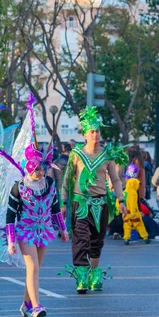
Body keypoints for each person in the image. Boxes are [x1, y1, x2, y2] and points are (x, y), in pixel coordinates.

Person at [61, 107, 128, 293]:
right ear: (85, 134)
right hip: (81, 202)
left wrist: (121, 200)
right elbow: (67, 178)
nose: (96, 134)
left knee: (97, 241)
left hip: (101, 203)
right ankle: (82, 276)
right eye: (92, 131)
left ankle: (93, 273)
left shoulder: (107, 154)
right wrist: (63, 202)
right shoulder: (76, 154)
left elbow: (115, 179)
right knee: (81, 239)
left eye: (98, 131)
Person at [6, 138, 69, 317]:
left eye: (42, 168)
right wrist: (11, 240)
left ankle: (26, 304)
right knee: (32, 267)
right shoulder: (19, 187)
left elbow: (55, 208)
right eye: (36, 169)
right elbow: (10, 216)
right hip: (25, 232)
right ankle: (36, 307)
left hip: (45, 230)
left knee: (34, 270)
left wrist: (63, 230)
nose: (40, 172)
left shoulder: (48, 183)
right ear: (28, 168)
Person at [122, 164, 150, 245]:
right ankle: (145, 237)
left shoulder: (125, 191)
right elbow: (133, 203)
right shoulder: (133, 192)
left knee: (127, 226)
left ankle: (126, 238)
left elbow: (120, 200)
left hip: (126, 212)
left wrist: (119, 209)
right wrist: (134, 212)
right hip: (133, 212)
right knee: (139, 225)